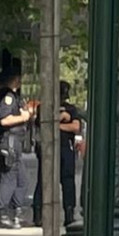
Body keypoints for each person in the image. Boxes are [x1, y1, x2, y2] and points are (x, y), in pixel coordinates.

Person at [0, 69, 37, 229]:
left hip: (2, 141)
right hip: (10, 141)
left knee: (21, 180)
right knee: (9, 178)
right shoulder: (8, 97)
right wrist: (24, 116)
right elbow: (4, 119)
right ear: (14, 79)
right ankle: (3, 214)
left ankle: (12, 213)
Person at [34, 82, 83, 228]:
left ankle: (69, 213)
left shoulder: (71, 109)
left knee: (68, 181)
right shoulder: (43, 107)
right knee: (44, 180)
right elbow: (42, 123)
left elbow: (76, 127)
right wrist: (60, 119)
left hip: (65, 147)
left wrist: (56, 124)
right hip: (48, 147)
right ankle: (38, 214)